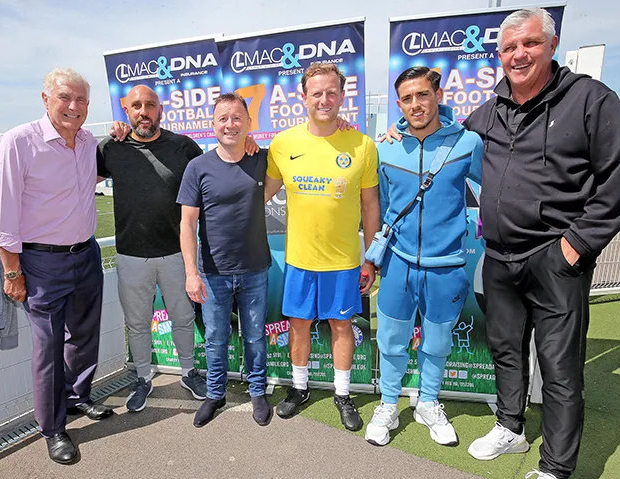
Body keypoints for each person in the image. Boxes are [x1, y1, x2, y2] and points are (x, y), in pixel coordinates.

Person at [462, 9, 620, 479]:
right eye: (508, 48)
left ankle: (555, 474)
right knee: (505, 350)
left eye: (530, 44)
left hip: (556, 259)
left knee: (560, 371)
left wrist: (575, 245)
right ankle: (510, 426)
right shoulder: (491, 108)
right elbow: (447, 143)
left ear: (552, 44)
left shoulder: (590, 99)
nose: (518, 55)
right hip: (498, 257)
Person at [0, 68, 113, 464]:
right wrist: (13, 271)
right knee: (47, 349)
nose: (73, 107)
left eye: (81, 100)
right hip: (41, 263)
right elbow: (2, 216)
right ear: (46, 99)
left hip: (86, 255)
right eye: (65, 98)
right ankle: (53, 428)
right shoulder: (18, 142)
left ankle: (78, 398)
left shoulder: (89, 140)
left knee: (84, 337)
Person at [364, 67, 482, 447]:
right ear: (399, 104)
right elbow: (377, 206)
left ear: (437, 95)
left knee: (437, 342)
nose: (416, 104)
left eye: (423, 95)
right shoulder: (385, 147)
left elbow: (494, 194)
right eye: (407, 98)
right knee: (392, 340)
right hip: (397, 263)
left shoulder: (468, 143)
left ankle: (428, 402)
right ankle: (387, 404)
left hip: (447, 265)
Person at [264, 63, 380, 431]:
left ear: (342, 96)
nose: (324, 100)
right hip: (299, 259)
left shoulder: (362, 145)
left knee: (341, 326)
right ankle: (298, 390)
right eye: (317, 93)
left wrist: (371, 258)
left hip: (344, 260)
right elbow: (260, 194)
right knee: (298, 326)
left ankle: (342, 395)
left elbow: (370, 206)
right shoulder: (283, 144)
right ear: (304, 97)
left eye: (332, 92)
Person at [97, 85, 208, 412]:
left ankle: (189, 372)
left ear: (160, 109)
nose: (143, 112)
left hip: (176, 255)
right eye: (136, 106)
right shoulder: (110, 149)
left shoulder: (183, 147)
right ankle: (143, 377)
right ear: (125, 110)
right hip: (131, 255)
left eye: (149, 105)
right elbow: (76, 177)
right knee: (137, 322)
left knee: (183, 317)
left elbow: (212, 176)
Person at [178, 93, 272, 427]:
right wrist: (191, 273)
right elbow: (187, 224)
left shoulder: (263, 159)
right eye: (223, 118)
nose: (230, 124)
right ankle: (214, 394)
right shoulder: (197, 167)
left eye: (237, 118)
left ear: (248, 123)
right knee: (215, 338)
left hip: (255, 269)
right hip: (213, 272)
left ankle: (257, 391)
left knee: (255, 336)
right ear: (213, 124)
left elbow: (304, 151)